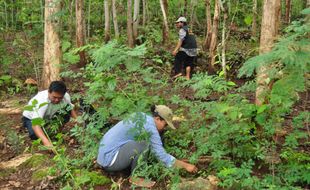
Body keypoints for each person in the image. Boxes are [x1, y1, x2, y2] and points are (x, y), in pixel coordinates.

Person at [97, 105, 197, 187]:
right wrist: (186, 166)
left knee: (142, 143)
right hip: (110, 160)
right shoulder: (150, 128)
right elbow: (161, 156)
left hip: (103, 156)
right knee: (144, 145)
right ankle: (136, 177)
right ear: (157, 119)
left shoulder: (141, 116)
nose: (164, 128)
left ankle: (130, 169)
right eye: (165, 124)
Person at [22, 81, 77, 148]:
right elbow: (36, 124)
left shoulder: (66, 96)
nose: (57, 100)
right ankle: (47, 133)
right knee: (35, 135)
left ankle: (56, 132)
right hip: (30, 118)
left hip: (48, 116)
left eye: (60, 98)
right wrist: (47, 143)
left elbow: (70, 109)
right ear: (49, 92)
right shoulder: (42, 102)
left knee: (66, 113)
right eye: (54, 97)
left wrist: (78, 122)